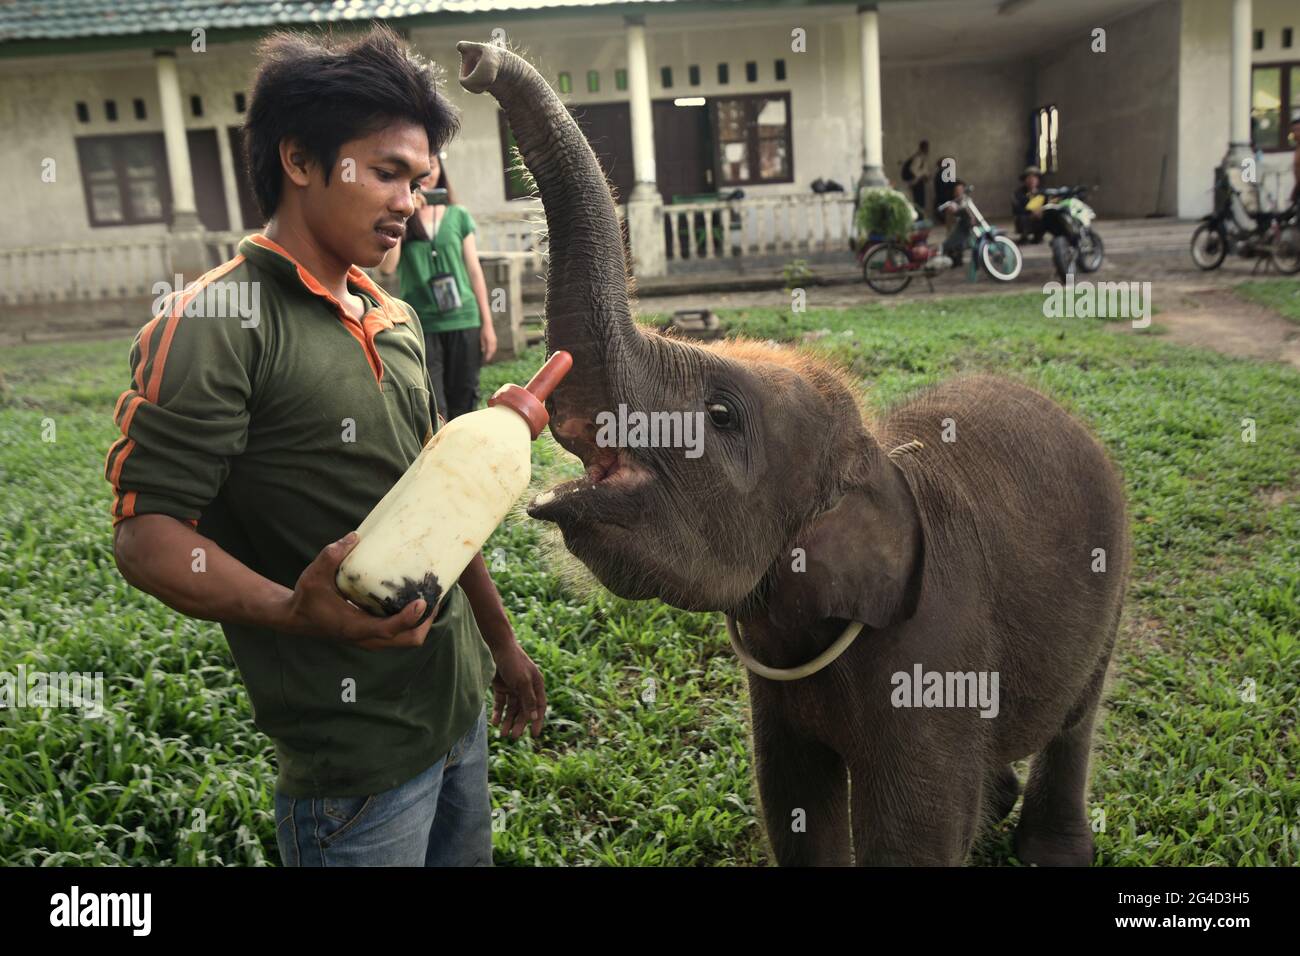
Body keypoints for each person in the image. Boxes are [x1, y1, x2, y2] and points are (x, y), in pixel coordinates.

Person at [104, 25, 545, 867]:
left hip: (457, 714)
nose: (410, 203)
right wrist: (289, 609)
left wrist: (501, 644)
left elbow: (439, 499)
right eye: (386, 173)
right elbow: (146, 537)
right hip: (354, 770)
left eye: (419, 182)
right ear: (301, 160)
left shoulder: (395, 315)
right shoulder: (213, 324)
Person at [379, 152, 495, 421]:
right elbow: (387, 268)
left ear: (440, 169)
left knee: (465, 401)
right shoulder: (400, 216)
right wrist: (405, 216)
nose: (428, 173)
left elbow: (474, 271)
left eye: (432, 165)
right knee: (432, 406)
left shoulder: (458, 215)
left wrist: (487, 324)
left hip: (464, 319)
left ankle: (466, 460)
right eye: (421, 169)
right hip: (422, 323)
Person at [938, 179, 972, 265]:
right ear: (954, 193)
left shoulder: (967, 200)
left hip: (969, 229)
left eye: (961, 190)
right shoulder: (952, 204)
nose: (959, 192)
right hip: (958, 230)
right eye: (957, 191)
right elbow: (951, 223)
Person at [1013, 165, 1046, 243]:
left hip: (1039, 218)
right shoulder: (1019, 193)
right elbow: (1017, 209)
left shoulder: (1042, 193)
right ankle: (1025, 235)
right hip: (1026, 218)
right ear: (1025, 180)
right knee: (1022, 218)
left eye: (1034, 178)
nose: (1032, 180)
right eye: (1029, 178)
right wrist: (1031, 213)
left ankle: (1038, 236)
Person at [901, 139, 930, 211]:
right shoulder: (918, 157)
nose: (927, 149)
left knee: (920, 202)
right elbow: (913, 169)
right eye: (926, 147)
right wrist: (922, 175)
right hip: (917, 183)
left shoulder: (921, 157)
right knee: (919, 202)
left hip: (918, 182)